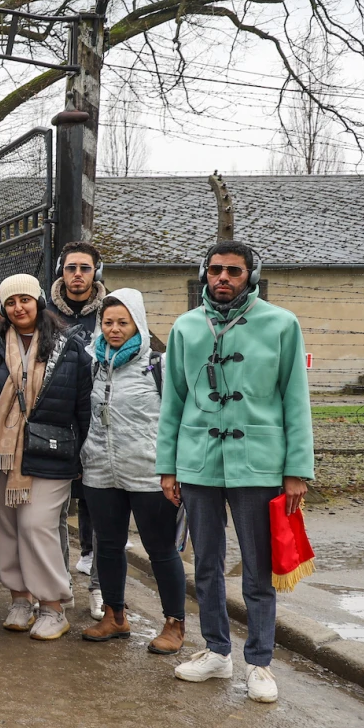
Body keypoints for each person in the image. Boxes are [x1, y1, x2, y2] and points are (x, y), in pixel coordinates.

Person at [158, 241, 313, 704]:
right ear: (203, 274)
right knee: (205, 564)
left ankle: (260, 662)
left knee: (258, 570)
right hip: (198, 461)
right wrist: (167, 466)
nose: (223, 278)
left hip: (259, 464)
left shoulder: (281, 324)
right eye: (215, 270)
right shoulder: (186, 327)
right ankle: (216, 651)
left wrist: (296, 470)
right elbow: (173, 401)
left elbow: (295, 399)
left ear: (251, 275)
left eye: (233, 271)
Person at [0, 273, 92, 641]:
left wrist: (81, 455)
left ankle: (53, 607)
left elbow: (84, 405)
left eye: (24, 300)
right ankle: (20, 599)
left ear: (38, 301)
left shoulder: (67, 347)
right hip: (1, 455)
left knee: (35, 526)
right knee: (5, 529)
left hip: (51, 452)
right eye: (10, 302)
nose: (18, 308)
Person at [78, 289, 187, 654]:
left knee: (161, 549)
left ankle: (174, 624)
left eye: (122, 323)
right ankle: (114, 615)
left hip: (149, 473)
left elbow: (177, 417)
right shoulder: (93, 364)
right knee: (107, 546)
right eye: (108, 322)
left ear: (138, 324)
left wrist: (173, 468)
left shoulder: (159, 366)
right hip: (100, 471)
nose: (114, 329)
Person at [49, 241, 107, 616]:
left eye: (85, 268)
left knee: (101, 511)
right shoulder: (44, 312)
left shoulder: (112, 313)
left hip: (100, 423)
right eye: (71, 268)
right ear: (62, 270)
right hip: (56, 423)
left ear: (95, 273)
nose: (77, 275)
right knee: (54, 512)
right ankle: (60, 582)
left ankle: (100, 587)